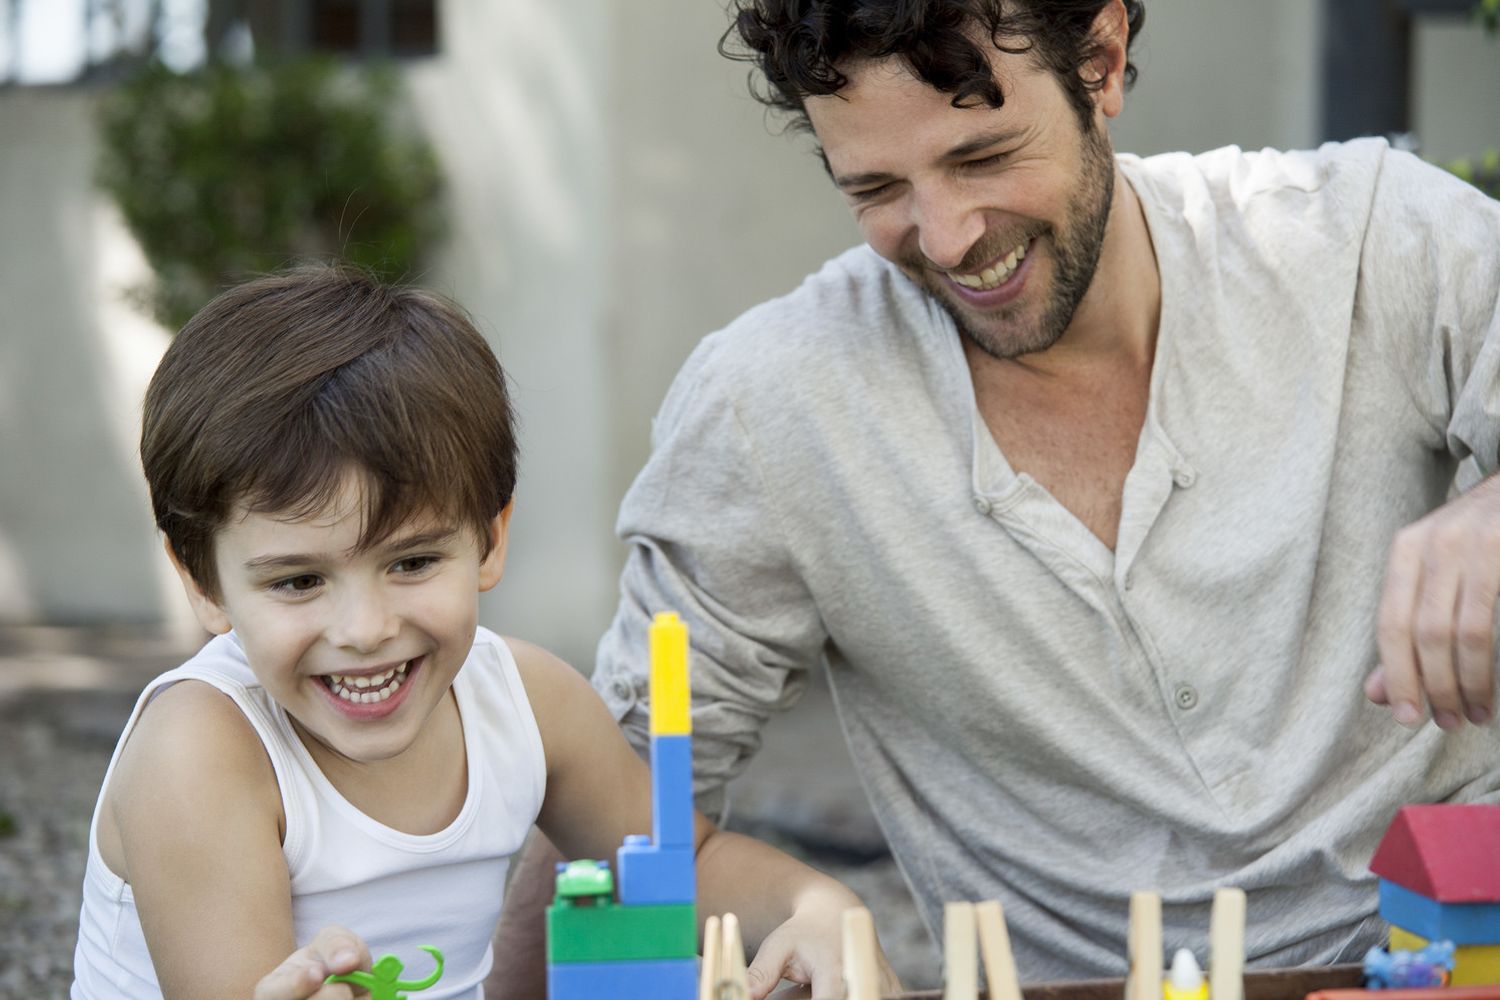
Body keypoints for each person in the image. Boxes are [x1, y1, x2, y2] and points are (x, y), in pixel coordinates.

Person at [490, 0, 1500, 990]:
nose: (947, 235)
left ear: (1102, 59)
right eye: (877, 186)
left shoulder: (1369, 237)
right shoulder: (773, 407)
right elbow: (614, 812)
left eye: (981, 157)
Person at [70, 265, 897, 1000]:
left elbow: (682, 864)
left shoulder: (528, 702)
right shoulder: (203, 753)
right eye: (298, 581)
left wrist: (821, 908)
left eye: (412, 562)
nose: (364, 629)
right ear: (202, 582)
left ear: (491, 540)